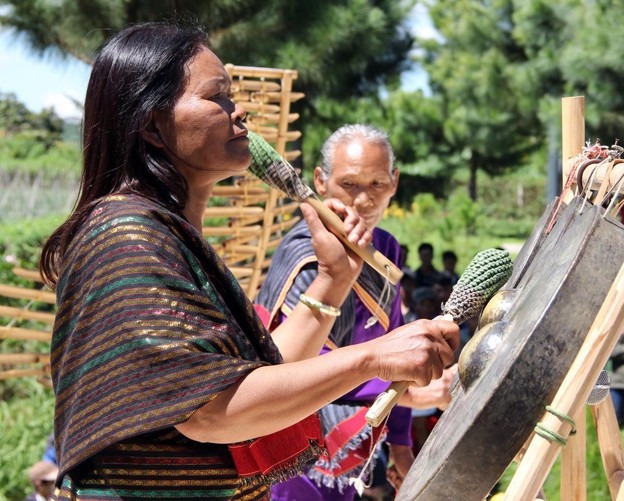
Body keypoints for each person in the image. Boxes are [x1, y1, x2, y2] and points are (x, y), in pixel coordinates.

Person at [38, 24, 459, 501]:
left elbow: (258, 376)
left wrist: (333, 280)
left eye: (233, 94)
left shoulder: (169, 233)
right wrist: (372, 357)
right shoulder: (127, 235)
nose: (239, 111)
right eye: (216, 97)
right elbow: (212, 410)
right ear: (153, 127)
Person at [256, 124, 456, 499]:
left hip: (349, 452)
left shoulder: (387, 253)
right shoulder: (304, 256)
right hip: (292, 447)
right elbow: (291, 370)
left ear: (395, 182)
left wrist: (399, 443)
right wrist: (409, 392)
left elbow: (396, 345)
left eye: (377, 184)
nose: (364, 200)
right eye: (349, 184)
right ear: (321, 181)